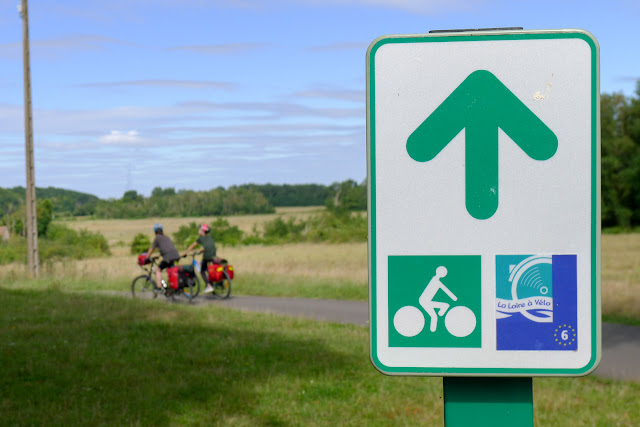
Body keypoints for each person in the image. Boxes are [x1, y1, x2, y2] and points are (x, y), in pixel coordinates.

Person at [145, 223, 181, 293]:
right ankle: (173, 287)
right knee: (171, 270)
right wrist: (159, 255)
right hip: (176, 256)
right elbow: (166, 248)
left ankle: (159, 288)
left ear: (155, 231)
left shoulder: (157, 238)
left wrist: (147, 257)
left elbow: (151, 249)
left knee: (158, 270)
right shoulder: (166, 237)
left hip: (168, 257)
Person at [183, 224, 217, 293]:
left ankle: (208, 285)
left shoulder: (200, 238)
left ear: (203, 231)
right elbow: (209, 246)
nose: (199, 231)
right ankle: (212, 283)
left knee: (202, 271)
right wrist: (202, 250)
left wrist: (185, 253)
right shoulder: (210, 237)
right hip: (214, 255)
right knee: (209, 269)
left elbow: (192, 246)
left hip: (207, 256)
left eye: (200, 230)